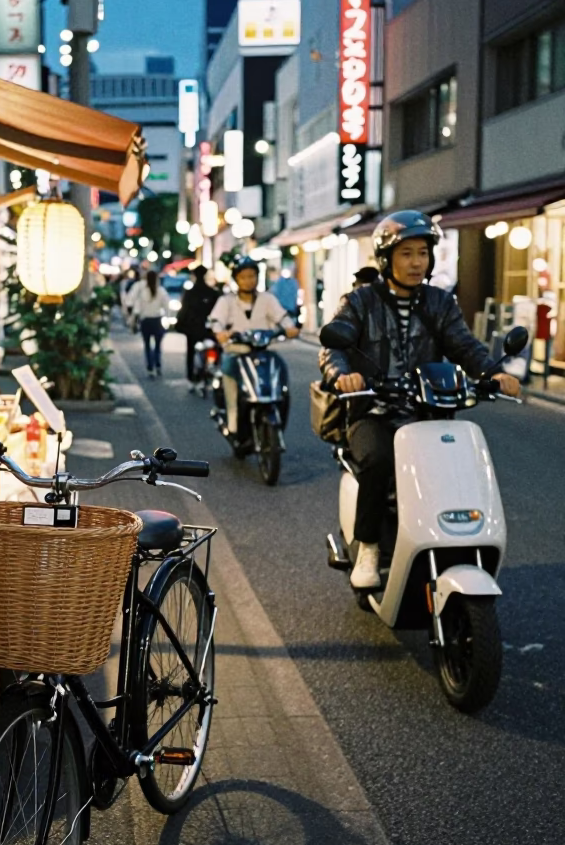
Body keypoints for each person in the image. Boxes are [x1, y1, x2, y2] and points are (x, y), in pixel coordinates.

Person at [319, 210, 521, 590]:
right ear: (386, 259)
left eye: (423, 253)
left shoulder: (440, 303)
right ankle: (369, 548)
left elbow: (464, 346)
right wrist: (342, 376)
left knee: (458, 463)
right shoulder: (361, 301)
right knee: (377, 460)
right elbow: (335, 347)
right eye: (406, 253)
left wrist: (493, 373)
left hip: (431, 412)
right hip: (373, 413)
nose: (416, 262)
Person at [209, 257, 299, 449]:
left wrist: (290, 327)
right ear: (236, 279)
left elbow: (282, 317)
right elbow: (216, 321)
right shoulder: (227, 301)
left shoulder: (267, 299)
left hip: (263, 352)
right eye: (244, 277)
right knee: (231, 387)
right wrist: (221, 333)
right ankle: (233, 427)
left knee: (281, 376)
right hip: (236, 353)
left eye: (252, 276)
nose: (248, 280)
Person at [175, 265, 220, 392]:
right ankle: (211, 370)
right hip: (209, 329)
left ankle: (191, 377)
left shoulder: (190, 293)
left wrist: (180, 324)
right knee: (215, 349)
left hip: (193, 329)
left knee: (191, 352)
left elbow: (184, 311)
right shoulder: (212, 292)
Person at [133, 269, 172, 377]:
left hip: (145, 321)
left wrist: (135, 319)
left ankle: (150, 367)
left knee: (147, 345)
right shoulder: (161, 291)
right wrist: (167, 319)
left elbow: (138, 308)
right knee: (158, 345)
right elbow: (167, 306)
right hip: (157, 320)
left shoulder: (143, 292)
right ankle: (158, 364)